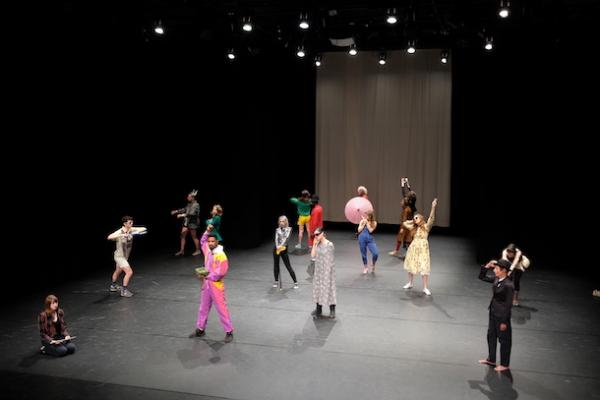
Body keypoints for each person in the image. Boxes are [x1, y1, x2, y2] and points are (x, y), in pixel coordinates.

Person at [189, 229, 234, 342]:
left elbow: (221, 272)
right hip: (207, 284)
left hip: (216, 285)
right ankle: (200, 329)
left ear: (217, 242)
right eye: (209, 241)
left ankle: (229, 331)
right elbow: (202, 241)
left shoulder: (221, 255)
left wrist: (206, 275)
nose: (210, 243)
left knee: (221, 309)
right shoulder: (208, 251)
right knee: (203, 308)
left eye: (212, 241)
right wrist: (207, 231)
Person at [478, 259, 515, 372]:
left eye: (497, 269)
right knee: (491, 336)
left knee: (504, 340)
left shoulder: (509, 285)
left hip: (502, 315)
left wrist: (504, 321)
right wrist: (486, 266)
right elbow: (482, 277)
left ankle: (504, 364)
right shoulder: (497, 279)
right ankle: (491, 359)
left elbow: (508, 305)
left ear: (504, 270)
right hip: (493, 312)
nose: (494, 270)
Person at [402, 198, 438, 295]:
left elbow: (431, 218)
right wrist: (412, 221)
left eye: (416, 218)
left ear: (421, 219)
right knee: (411, 265)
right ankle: (410, 283)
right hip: (414, 248)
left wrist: (433, 207)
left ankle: (425, 287)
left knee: (424, 266)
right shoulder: (413, 227)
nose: (415, 219)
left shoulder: (426, 227)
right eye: (414, 218)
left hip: (423, 249)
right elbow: (404, 223)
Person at [107, 216, 147, 297]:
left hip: (125, 256)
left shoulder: (131, 229)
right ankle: (124, 291)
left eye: (132, 222)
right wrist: (121, 235)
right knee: (129, 272)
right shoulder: (120, 231)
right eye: (130, 223)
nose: (132, 224)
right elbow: (109, 237)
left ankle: (113, 286)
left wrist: (134, 232)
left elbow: (144, 229)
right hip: (119, 257)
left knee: (118, 271)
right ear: (125, 224)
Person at [310, 228, 337, 318]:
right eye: (315, 235)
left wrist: (327, 273)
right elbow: (313, 256)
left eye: (317, 234)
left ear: (323, 234)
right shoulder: (317, 244)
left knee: (329, 289)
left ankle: (332, 310)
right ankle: (318, 309)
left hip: (327, 271)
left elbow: (331, 260)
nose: (316, 236)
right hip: (318, 270)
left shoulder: (329, 245)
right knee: (318, 289)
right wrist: (314, 244)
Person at [390, 177, 417, 256]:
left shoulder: (407, 208)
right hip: (411, 224)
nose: (401, 202)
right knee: (408, 238)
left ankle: (398, 251)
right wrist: (406, 184)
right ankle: (408, 250)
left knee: (401, 237)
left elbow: (404, 194)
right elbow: (409, 194)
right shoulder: (412, 204)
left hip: (406, 224)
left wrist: (402, 228)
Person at [171, 190, 201, 256]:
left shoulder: (196, 204)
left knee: (194, 237)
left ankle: (198, 250)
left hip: (192, 223)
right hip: (186, 222)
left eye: (189, 196)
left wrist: (182, 215)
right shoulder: (189, 204)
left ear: (192, 197)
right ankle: (182, 251)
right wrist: (176, 211)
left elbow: (192, 213)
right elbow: (184, 209)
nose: (187, 197)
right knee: (182, 236)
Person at [273, 216, 299, 289]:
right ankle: (276, 281)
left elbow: (286, 239)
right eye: (280, 221)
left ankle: (295, 282)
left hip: (284, 249)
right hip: (277, 248)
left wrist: (280, 246)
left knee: (288, 266)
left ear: (285, 222)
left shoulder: (289, 229)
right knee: (276, 265)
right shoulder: (277, 229)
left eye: (283, 221)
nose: (281, 223)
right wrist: (277, 246)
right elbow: (276, 239)